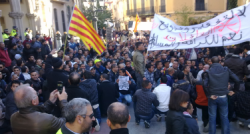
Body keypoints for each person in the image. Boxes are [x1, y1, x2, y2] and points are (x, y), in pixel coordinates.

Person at [202, 56, 240, 134]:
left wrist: (208, 95)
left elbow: (204, 84)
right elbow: (237, 80)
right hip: (223, 96)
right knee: (224, 117)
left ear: (211, 63)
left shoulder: (208, 72)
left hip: (213, 97)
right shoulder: (226, 70)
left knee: (212, 118)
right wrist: (234, 91)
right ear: (219, 62)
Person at [45, 50, 69, 116]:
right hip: (62, 100)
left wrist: (50, 55)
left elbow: (47, 64)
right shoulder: (65, 77)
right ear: (61, 66)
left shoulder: (49, 73)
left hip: (51, 98)